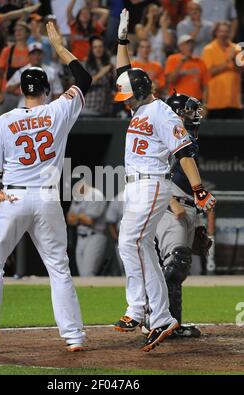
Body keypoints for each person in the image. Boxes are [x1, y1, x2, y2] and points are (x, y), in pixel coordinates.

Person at [0, 21, 92, 352]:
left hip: (14, 196)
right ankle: (73, 337)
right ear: (46, 89)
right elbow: (84, 80)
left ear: (20, 90)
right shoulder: (59, 109)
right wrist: (59, 48)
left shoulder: (6, 120)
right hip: (47, 199)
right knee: (59, 268)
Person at [113, 9, 216, 352]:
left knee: (129, 243)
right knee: (142, 248)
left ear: (141, 92)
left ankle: (137, 309)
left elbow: (185, 151)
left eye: (128, 94)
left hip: (152, 182)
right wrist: (122, 41)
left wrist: (199, 190)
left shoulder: (160, 111)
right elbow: (123, 74)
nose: (124, 99)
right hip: (137, 184)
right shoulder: (140, 107)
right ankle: (161, 317)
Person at [155, 92, 207, 338]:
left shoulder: (185, 136)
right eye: (188, 110)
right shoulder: (166, 135)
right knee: (174, 264)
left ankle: (171, 324)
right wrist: (170, 199)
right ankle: (157, 321)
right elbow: (152, 172)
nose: (194, 115)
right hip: (169, 204)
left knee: (179, 267)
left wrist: (197, 222)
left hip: (186, 206)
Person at [202, 21, 243, 119]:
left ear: (230, 33)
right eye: (221, 31)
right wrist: (227, 61)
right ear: (216, 33)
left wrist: (234, 59)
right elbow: (209, 72)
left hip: (234, 101)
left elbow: (241, 71)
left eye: (226, 31)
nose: (224, 34)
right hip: (216, 102)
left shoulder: (236, 48)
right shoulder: (209, 49)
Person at [67, 180, 108, 276]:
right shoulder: (77, 196)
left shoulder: (96, 195)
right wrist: (80, 217)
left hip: (95, 236)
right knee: (82, 274)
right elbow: (69, 219)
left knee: (88, 273)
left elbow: (90, 221)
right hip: (80, 237)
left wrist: (76, 217)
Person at [6, 42, 63, 108]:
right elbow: (8, 89)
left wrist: (52, 108)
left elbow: (57, 92)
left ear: (43, 55)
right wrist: (22, 81)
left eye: (38, 54)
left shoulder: (51, 71)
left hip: (44, 110)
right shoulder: (22, 71)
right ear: (29, 56)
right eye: (33, 54)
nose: (36, 57)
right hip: (25, 110)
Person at [0, 21, 30, 116]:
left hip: (25, 96)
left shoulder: (31, 51)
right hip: (7, 94)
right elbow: (0, 73)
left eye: (21, 30)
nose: (18, 32)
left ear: (27, 33)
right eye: (16, 30)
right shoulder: (7, 51)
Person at [164, 35, 209, 102]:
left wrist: (205, 105)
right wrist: (181, 63)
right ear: (180, 47)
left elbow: (205, 86)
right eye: (187, 44)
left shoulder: (200, 62)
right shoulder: (172, 59)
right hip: (178, 101)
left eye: (191, 43)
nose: (190, 46)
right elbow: (170, 80)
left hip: (196, 102)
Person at [81, 36, 114, 117]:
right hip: (88, 110)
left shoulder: (108, 65)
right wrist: (101, 73)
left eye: (100, 46)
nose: (98, 49)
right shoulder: (85, 65)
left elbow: (113, 87)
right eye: (95, 47)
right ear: (91, 50)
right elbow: (84, 85)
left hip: (105, 111)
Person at [105, 191, 125, 275]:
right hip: (122, 237)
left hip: (141, 238)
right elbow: (110, 221)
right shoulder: (120, 197)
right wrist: (117, 238)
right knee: (124, 267)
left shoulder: (144, 196)